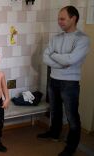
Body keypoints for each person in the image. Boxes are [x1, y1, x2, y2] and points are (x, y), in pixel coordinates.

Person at [39, 5, 90, 156]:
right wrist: (62, 61)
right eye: (58, 19)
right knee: (55, 111)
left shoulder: (82, 39)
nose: (59, 22)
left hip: (70, 82)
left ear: (73, 18)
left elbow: (72, 59)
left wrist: (54, 55)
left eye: (62, 19)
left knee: (72, 115)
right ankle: (54, 133)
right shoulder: (56, 38)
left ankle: (71, 145)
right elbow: (45, 57)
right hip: (53, 79)